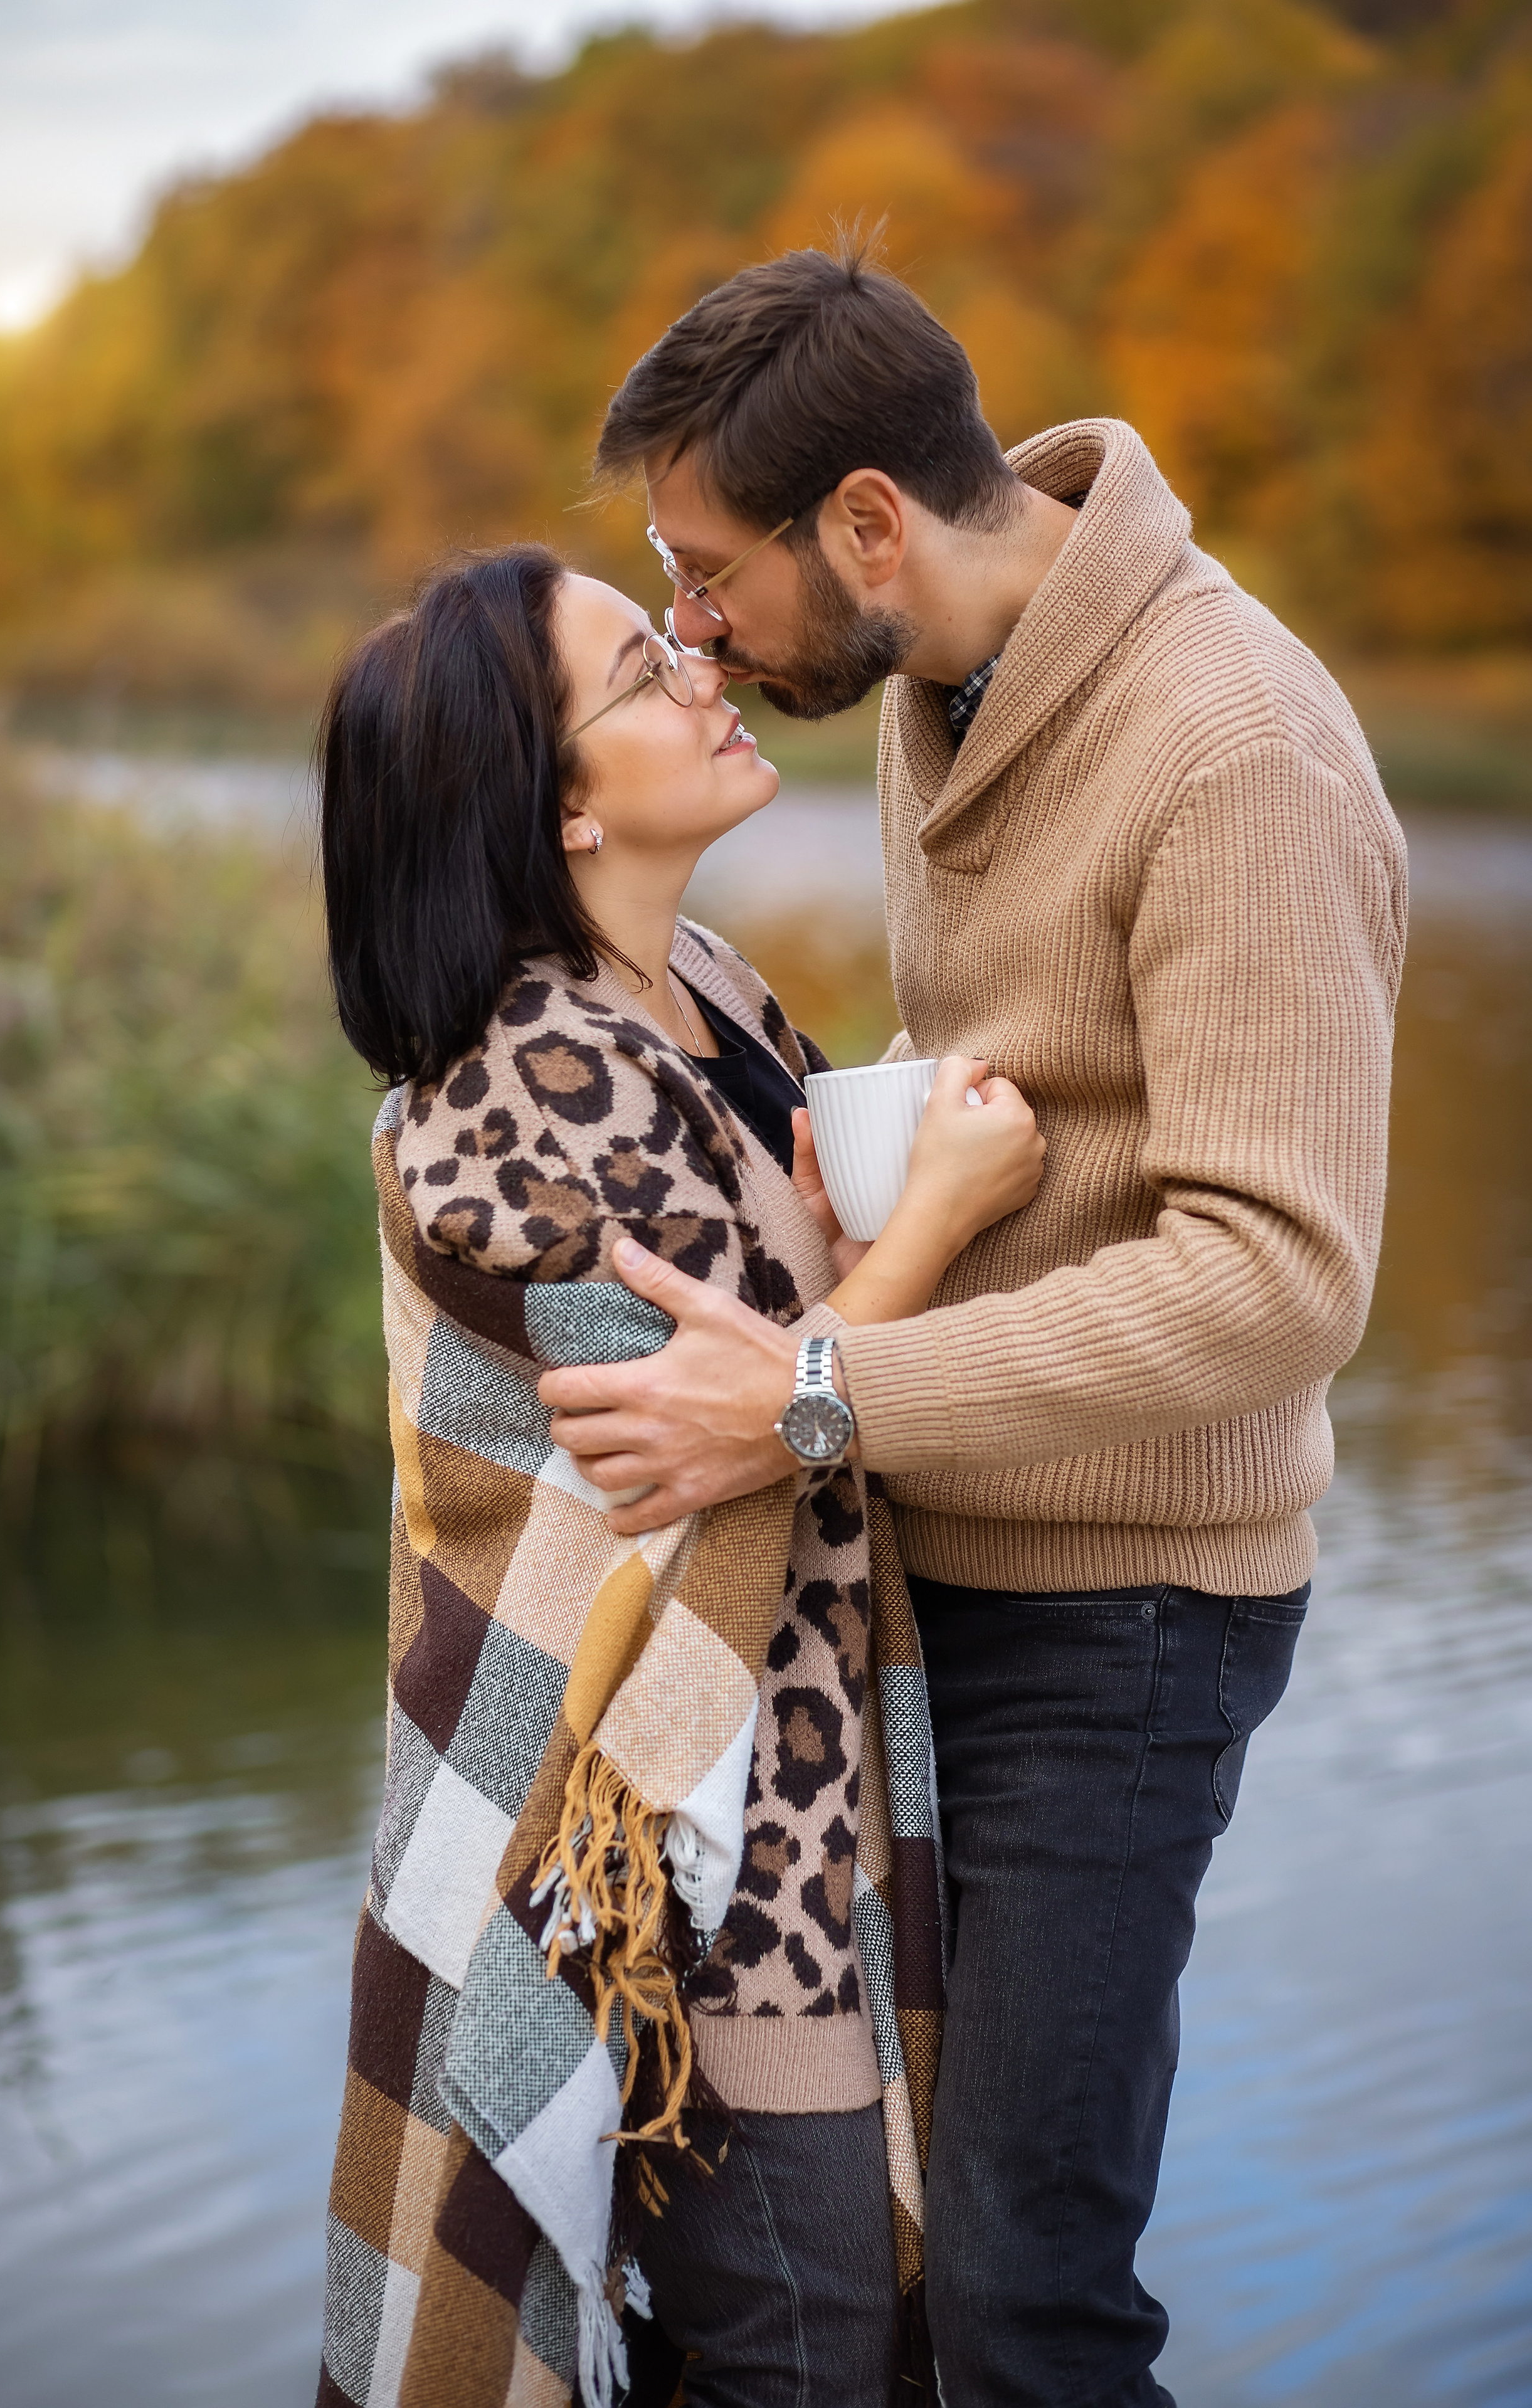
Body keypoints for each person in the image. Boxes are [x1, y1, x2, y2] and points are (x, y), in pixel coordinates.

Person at [538, 241, 1408, 2405]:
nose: (697, 625)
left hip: (1133, 1618)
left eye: (707, 567)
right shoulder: (942, 686)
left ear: (866, 522)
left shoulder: (1236, 748)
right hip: (938, 1581)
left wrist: (825, 1384)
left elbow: (1281, 1275)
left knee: (1033, 2298)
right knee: (911, 2268)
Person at [312, 542, 1045, 2408]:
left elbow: (774, 1340)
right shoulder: (518, 1079)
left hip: (798, 1816)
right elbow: (732, 1445)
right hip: (687, 1883)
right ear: (560, 803)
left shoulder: (686, 983)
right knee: (806, 2356)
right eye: (648, 668)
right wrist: (935, 1215)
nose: (707, 665)